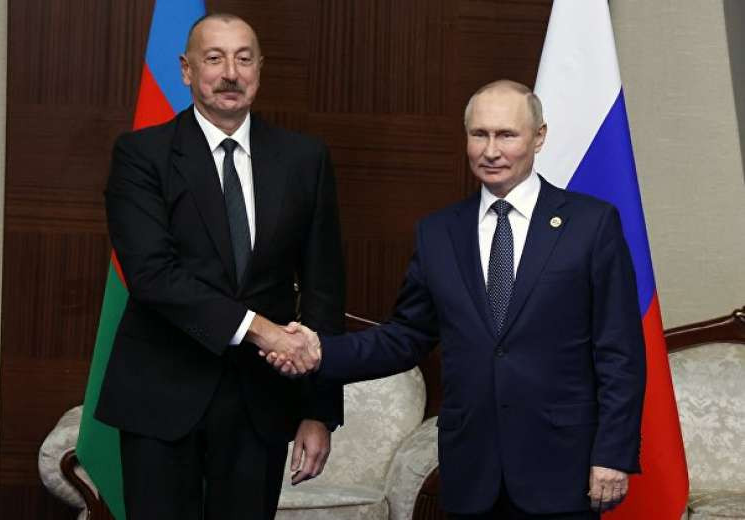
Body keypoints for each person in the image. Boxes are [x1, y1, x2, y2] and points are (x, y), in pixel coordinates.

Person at [269, 80, 646, 519]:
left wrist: (613, 453)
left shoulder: (591, 225)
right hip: (472, 471)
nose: (491, 150)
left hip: (562, 467)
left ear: (539, 137)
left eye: (506, 135)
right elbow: (405, 337)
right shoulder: (439, 232)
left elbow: (619, 351)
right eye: (479, 134)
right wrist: (318, 352)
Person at [94, 12, 344, 520]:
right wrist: (262, 331)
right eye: (214, 59)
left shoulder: (304, 159)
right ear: (187, 71)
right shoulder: (142, 155)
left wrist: (318, 411)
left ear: (259, 70)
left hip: (260, 406)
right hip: (161, 398)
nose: (230, 73)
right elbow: (151, 275)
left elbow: (325, 287)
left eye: (243, 59)